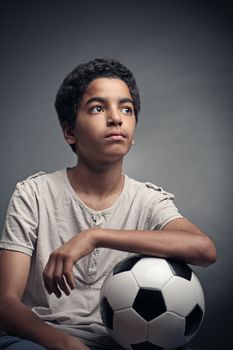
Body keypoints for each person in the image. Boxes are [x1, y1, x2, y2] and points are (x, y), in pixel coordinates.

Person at [0, 58, 217, 350]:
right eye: (98, 108)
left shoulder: (148, 200)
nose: (116, 118)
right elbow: (5, 303)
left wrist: (95, 236)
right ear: (69, 132)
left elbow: (204, 250)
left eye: (126, 109)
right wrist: (66, 345)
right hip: (44, 339)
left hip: (124, 342)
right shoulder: (34, 194)